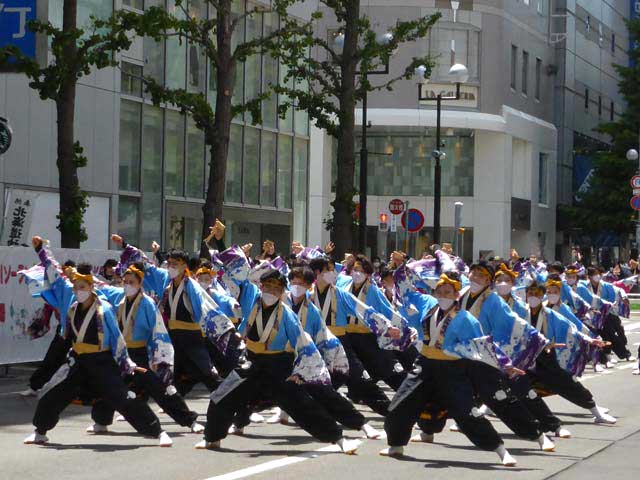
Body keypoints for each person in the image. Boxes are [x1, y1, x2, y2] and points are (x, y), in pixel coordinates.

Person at [23, 236, 170, 447]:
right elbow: (54, 272)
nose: (77, 290)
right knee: (54, 393)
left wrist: (126, 362)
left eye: (82, 287)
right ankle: (40, 431)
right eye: (75, 287)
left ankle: (157, 431)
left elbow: (118, 338)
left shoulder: (105, 309)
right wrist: (41, 250)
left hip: (102, 361)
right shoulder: (73, 306)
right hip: (78, 359)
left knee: (122, 396)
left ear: (91, 287)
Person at [196, 269, 360, 454]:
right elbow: (243, 331)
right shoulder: (253, 306)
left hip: (279, 367)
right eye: (268, 286)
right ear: (261, 286)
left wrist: (299, 373)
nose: (271, 291)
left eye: (276, 289)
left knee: (304, 406)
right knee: (221, 396)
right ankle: (212, 438)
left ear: (283, 293)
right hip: (253, 364)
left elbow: (303, 343)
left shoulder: (288, 315)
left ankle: (339, 439)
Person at [380, 272, 519, 466]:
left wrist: (506, 364)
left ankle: (500, 450)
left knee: (466, 412)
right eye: (440, 292)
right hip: (425, 364)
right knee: (400, 404)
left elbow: (481, 345)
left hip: (451, 368)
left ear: (456, 295)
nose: (443, 296)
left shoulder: (466, 319)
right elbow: (410, 324)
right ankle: (396, 444)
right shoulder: (429, 310)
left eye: (448, 292)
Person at [89, 262, 205, 435]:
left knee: (161, 388)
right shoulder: (119, 298)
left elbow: (157, 330)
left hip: (143, 353)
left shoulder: (148, 304)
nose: (128, 285)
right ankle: (101, 421)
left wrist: (158, 357)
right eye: (125, 281)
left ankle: (189, 421)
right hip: (124, 353)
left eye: (132, 282)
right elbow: (100, 289)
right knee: (110, 384)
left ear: (140, 284)